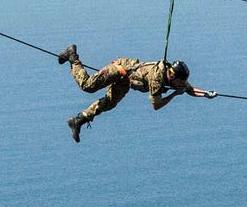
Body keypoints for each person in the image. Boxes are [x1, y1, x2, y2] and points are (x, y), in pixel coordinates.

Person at [57, 44, 217, 142]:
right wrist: (174, 95)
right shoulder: (157, 79)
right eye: (180, 82)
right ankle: (73, 56)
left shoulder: (175, 79)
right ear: (172, 76)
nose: (181, 85)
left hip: (126, 81)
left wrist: (206, 94)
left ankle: (78, 120)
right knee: (88, 86)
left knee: (109, 103)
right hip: (119, 69)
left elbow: (189, 89)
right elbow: (156, 105)